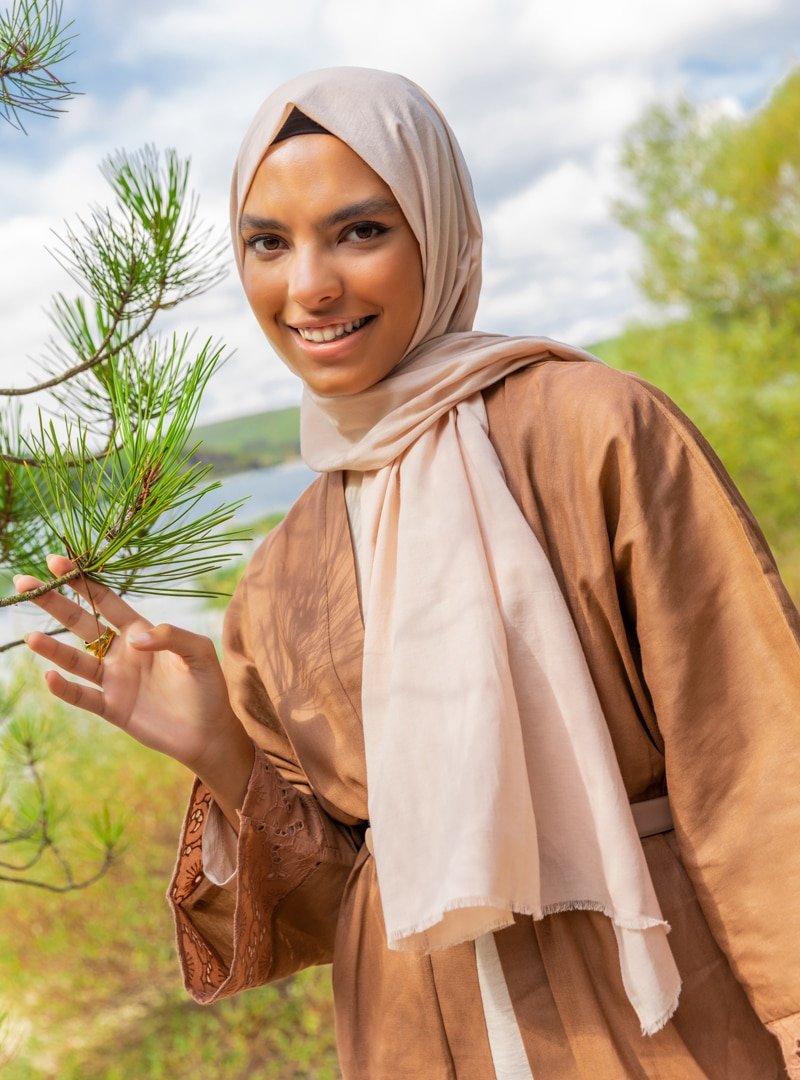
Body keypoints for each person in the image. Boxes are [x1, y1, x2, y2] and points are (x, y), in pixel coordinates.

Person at [16, 67, 800, 1079]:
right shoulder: (279, 577)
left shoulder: (591, 430)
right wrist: (220, 747)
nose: (308, 286)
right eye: (267, 243)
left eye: (358, 231)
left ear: (439, 226)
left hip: (658, 1020)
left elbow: (751, 762)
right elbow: (326, 901)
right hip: (416, 1038)